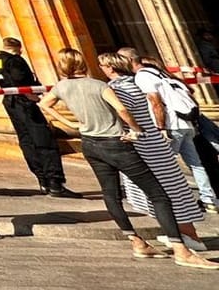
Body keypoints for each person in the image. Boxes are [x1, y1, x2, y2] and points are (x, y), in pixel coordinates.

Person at [40, 47, 214, 267]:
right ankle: (181, 249)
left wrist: (71, 125)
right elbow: (122, 109)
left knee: (111, 194)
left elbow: (43, 104)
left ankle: (136, 242)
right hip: (116, 143)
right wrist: (136, 129)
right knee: (160, 194)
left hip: (90, 143)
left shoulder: (61, 87)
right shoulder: (101, 86)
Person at [103, 52, 209, 252]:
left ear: (110, 67)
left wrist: (140, 129)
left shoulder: (120, 87)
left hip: (144, 142)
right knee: (172, 184)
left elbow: (141, 106)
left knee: (160, 188)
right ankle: (184, 233)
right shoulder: (141, 80)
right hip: (154, 138)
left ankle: (184, 235)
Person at [0, 37, 77, 197]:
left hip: (10, 101)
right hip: (24, 102)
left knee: (26, 139)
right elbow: (21, 81)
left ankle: (42, 180)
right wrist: (34, 97)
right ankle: (54, 182)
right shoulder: (16, 61)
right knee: (43, 139)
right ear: (17, 48)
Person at [130, 49, 219, 211]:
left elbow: (155, 101)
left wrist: (161, 127)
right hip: (187, 123)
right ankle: (209, 200)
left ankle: (170, 201)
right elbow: (191, 95)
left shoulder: (142, 76)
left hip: (171, 124)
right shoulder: (165, 76)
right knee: (196, 164)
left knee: (163, 164)